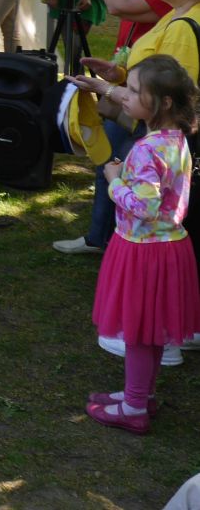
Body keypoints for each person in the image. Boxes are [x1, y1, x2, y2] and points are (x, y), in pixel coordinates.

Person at [58, 0, 200, 260]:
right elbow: (158, 73)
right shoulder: (176, 13)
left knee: (132, 189)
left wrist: (104, 90)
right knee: (114, 170)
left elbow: (166, 99)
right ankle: (110, 244)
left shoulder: (183, 27)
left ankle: (131, 258)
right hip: (142, 124)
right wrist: (119, 73)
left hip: (151, 130)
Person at [83, 54, 200, 435]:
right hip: (168, 247)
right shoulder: (176, 138)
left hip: (143, 249)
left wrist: (114, 180)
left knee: (136, 331)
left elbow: (145, 206)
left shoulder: (147, 149)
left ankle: (133, 407)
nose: (126, 96)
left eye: (134, 92)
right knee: (150, 331)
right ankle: (140, 395)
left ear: (163, 102)